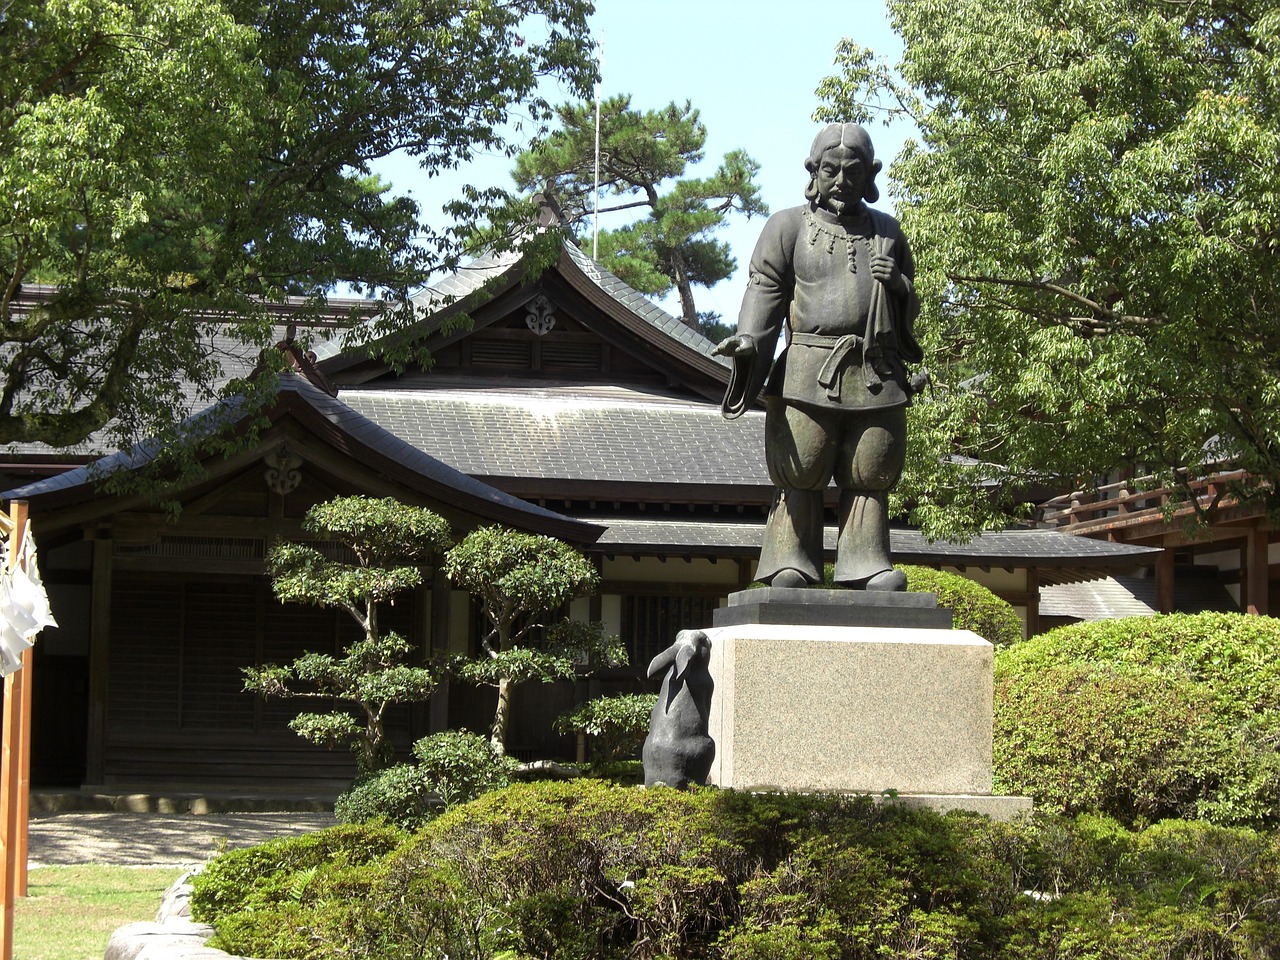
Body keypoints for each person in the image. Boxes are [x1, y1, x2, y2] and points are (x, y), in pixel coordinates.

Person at [714, 123, 924, 591]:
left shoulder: (887, 231)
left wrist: (898, 286)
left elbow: (911, 308)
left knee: (870, 468)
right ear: (813, 171)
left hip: (875, 369)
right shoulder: (787, 227)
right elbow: (764, 289)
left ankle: (865, 562)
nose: (841, 180)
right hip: (809, 369)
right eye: (831, 170)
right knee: (802, 468)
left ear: (871, 174)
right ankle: (790, 559)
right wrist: (748, 342)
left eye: (853, 172)